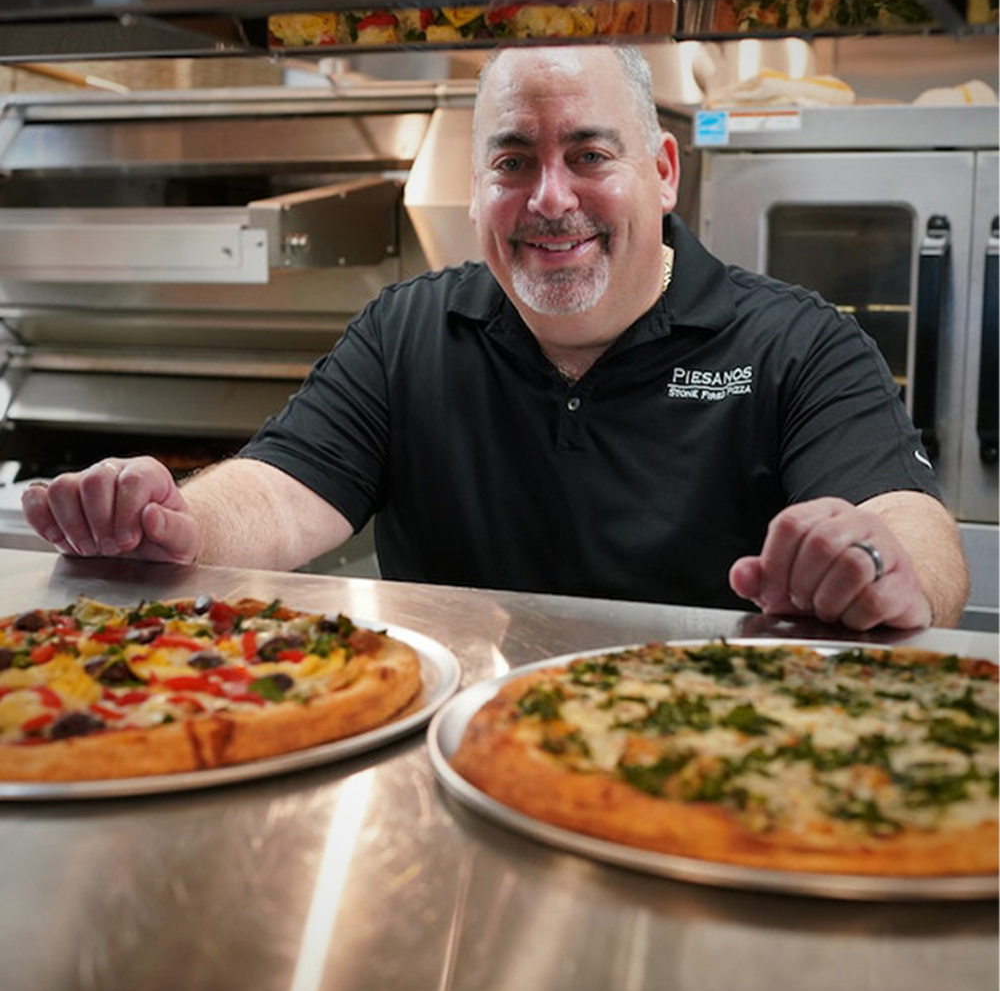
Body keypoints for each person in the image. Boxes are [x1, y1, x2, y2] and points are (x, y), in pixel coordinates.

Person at [21, 44, 969, 631]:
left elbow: (923, 539)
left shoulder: (796, 343)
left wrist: (880, 565)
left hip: (708, 768)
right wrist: (175, 523)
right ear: (477, 188)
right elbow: (276, 492)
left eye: (589, 155)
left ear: (663, 170)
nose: (550, 200)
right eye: (514, 161)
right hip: (444, 760)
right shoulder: (407, 331)